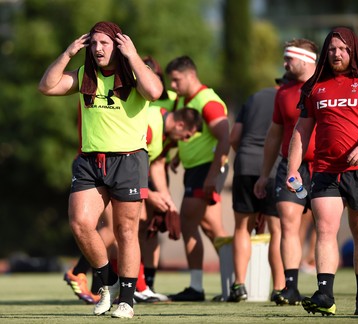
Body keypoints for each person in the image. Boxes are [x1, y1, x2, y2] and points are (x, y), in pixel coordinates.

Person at [38, 21, 163, 318]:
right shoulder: (84, 75)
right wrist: (68, 53)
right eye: (93, 44)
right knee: (81, 223)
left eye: (104, 43)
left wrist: (132, 55)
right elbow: (46, 86)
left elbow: (155, 91)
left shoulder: (133, 74)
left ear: (118, 45)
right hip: (90, 161)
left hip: (129, 160)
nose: (97, 49)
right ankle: (107, 283)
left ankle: (127, 301)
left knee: (125, 231)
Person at [286, 27, 358, 316]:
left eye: (343, 48)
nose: (337, 53)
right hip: (325, 170)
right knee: (325, 229)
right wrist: (293, 169)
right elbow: (301, 130)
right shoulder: (315, 86)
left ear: (353, 50)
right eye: (332, 48)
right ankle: (325, 295)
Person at [254, 39, 318, 306]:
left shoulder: (326, 85)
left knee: (325, 226)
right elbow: (274, 135)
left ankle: (326, 288)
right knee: (287, 222)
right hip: (292, 169)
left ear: (305, 59)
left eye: (288, 59)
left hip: (325, 167)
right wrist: (264, 174)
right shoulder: (284, 92)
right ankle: (290, 287)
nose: (284, 64)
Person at [165, 55, 230, 301]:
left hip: (207, 169)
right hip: (195, 169)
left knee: (188, 222)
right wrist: (178, 156)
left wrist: (212, 176)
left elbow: (225, 139)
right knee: (211, 227)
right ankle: (235, 283)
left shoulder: (208, 102)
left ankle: (197, 287)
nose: (173, 86)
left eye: (176, 80)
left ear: (191, 76)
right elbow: (192, 134)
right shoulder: (184, 98)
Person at [227, 79, 287, 303]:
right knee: (277, 230)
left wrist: (245, 155)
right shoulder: (291, 98)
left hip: (245, 166)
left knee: (242, 227)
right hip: (274, 169)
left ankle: (239, 285)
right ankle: (279, 287)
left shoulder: (254, 97)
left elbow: (234, 138)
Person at [137, 106, 203, 301]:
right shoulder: (150, 126)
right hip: (111, 175)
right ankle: (92, 279)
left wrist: (167, 200)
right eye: (187, 135)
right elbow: (125, 163)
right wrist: (149, 195)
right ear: (180, 124)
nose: (185, 140)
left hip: (135, 179)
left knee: (146, 229)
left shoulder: (168, 133)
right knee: (126, 231)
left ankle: (144, 286)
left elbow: (157, 164)